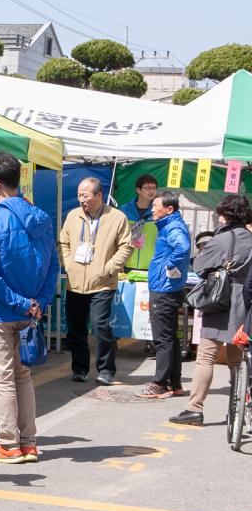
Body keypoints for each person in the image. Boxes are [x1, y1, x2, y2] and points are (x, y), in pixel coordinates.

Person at [0, 153, 58, 464]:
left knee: (4, 377)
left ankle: (8, 443)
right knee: (22, 376)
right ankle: (28, 442)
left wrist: (22, 303)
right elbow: (53, 267)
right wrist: (39, 303)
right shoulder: (42, 218)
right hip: (28, 310)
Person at [169, 194, 252, 424]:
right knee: (237, 359)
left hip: (221, 300)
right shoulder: (250, 238)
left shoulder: (222, 239)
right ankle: (237, 409)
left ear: (225, 215)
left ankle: (195, 408)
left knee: (206, 356)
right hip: (245, 302)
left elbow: (200, 265)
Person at [58, 177, 132, 385]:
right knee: (75, 327)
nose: (82, 199)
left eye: (86, 195)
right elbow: (63, 242)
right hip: (75, 282)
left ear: (99, 195)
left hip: (102, 282)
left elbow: (126, 246)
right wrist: (68, 263)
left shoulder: (117, 217)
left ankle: (106, 370)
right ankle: (79, 368)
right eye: (79, 195)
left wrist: (108, 268)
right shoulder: (73, 216)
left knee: (100, 326)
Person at [136, 190, 192, 400]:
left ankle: (159, 383)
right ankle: (174, 383)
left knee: (163, 339)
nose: (152, 208)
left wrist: (169, 265)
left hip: (164, 289)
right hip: (166, 287)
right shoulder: (169, 225)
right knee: (170, 338)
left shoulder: (174, 226)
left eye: (155, 205)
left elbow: (183, 247)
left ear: (169, 209)